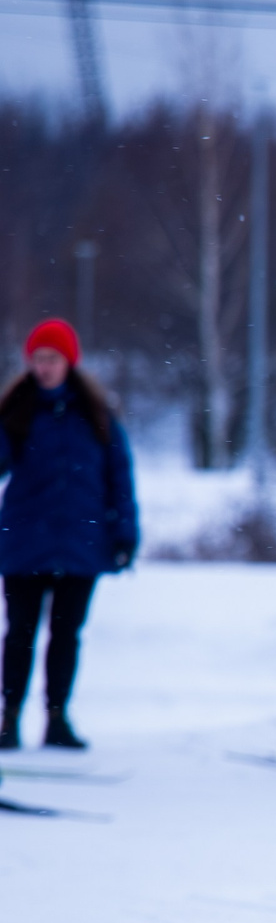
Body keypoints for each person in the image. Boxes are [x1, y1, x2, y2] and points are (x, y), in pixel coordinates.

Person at [0, 319, 138, 750]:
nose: (44, 367)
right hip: (24, 542)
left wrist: (125, 533)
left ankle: (57, 718)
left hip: (82, 543)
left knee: (66, 635)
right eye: (38, 359)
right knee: (20, 632)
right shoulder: (16, 410)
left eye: (52, 359)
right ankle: (10, 717)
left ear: (69, 362)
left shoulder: (96, 415)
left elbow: (119, 477)